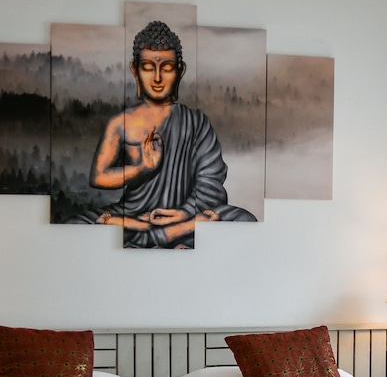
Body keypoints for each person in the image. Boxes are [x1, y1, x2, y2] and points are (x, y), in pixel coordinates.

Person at [79, 20, 255, 248]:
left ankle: (159, 232)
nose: (157, 78)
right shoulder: (121, 122)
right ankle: (167, 233)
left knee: (244, 219)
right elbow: (98, 177)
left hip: (182, 215)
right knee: (76, 223)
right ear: (135, 70)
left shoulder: (196, 122)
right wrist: (141, 169)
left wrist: (185, 211)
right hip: (133, 213)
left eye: (167, 67)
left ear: (180, 71)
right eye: (148, 67)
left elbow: (211, 180)